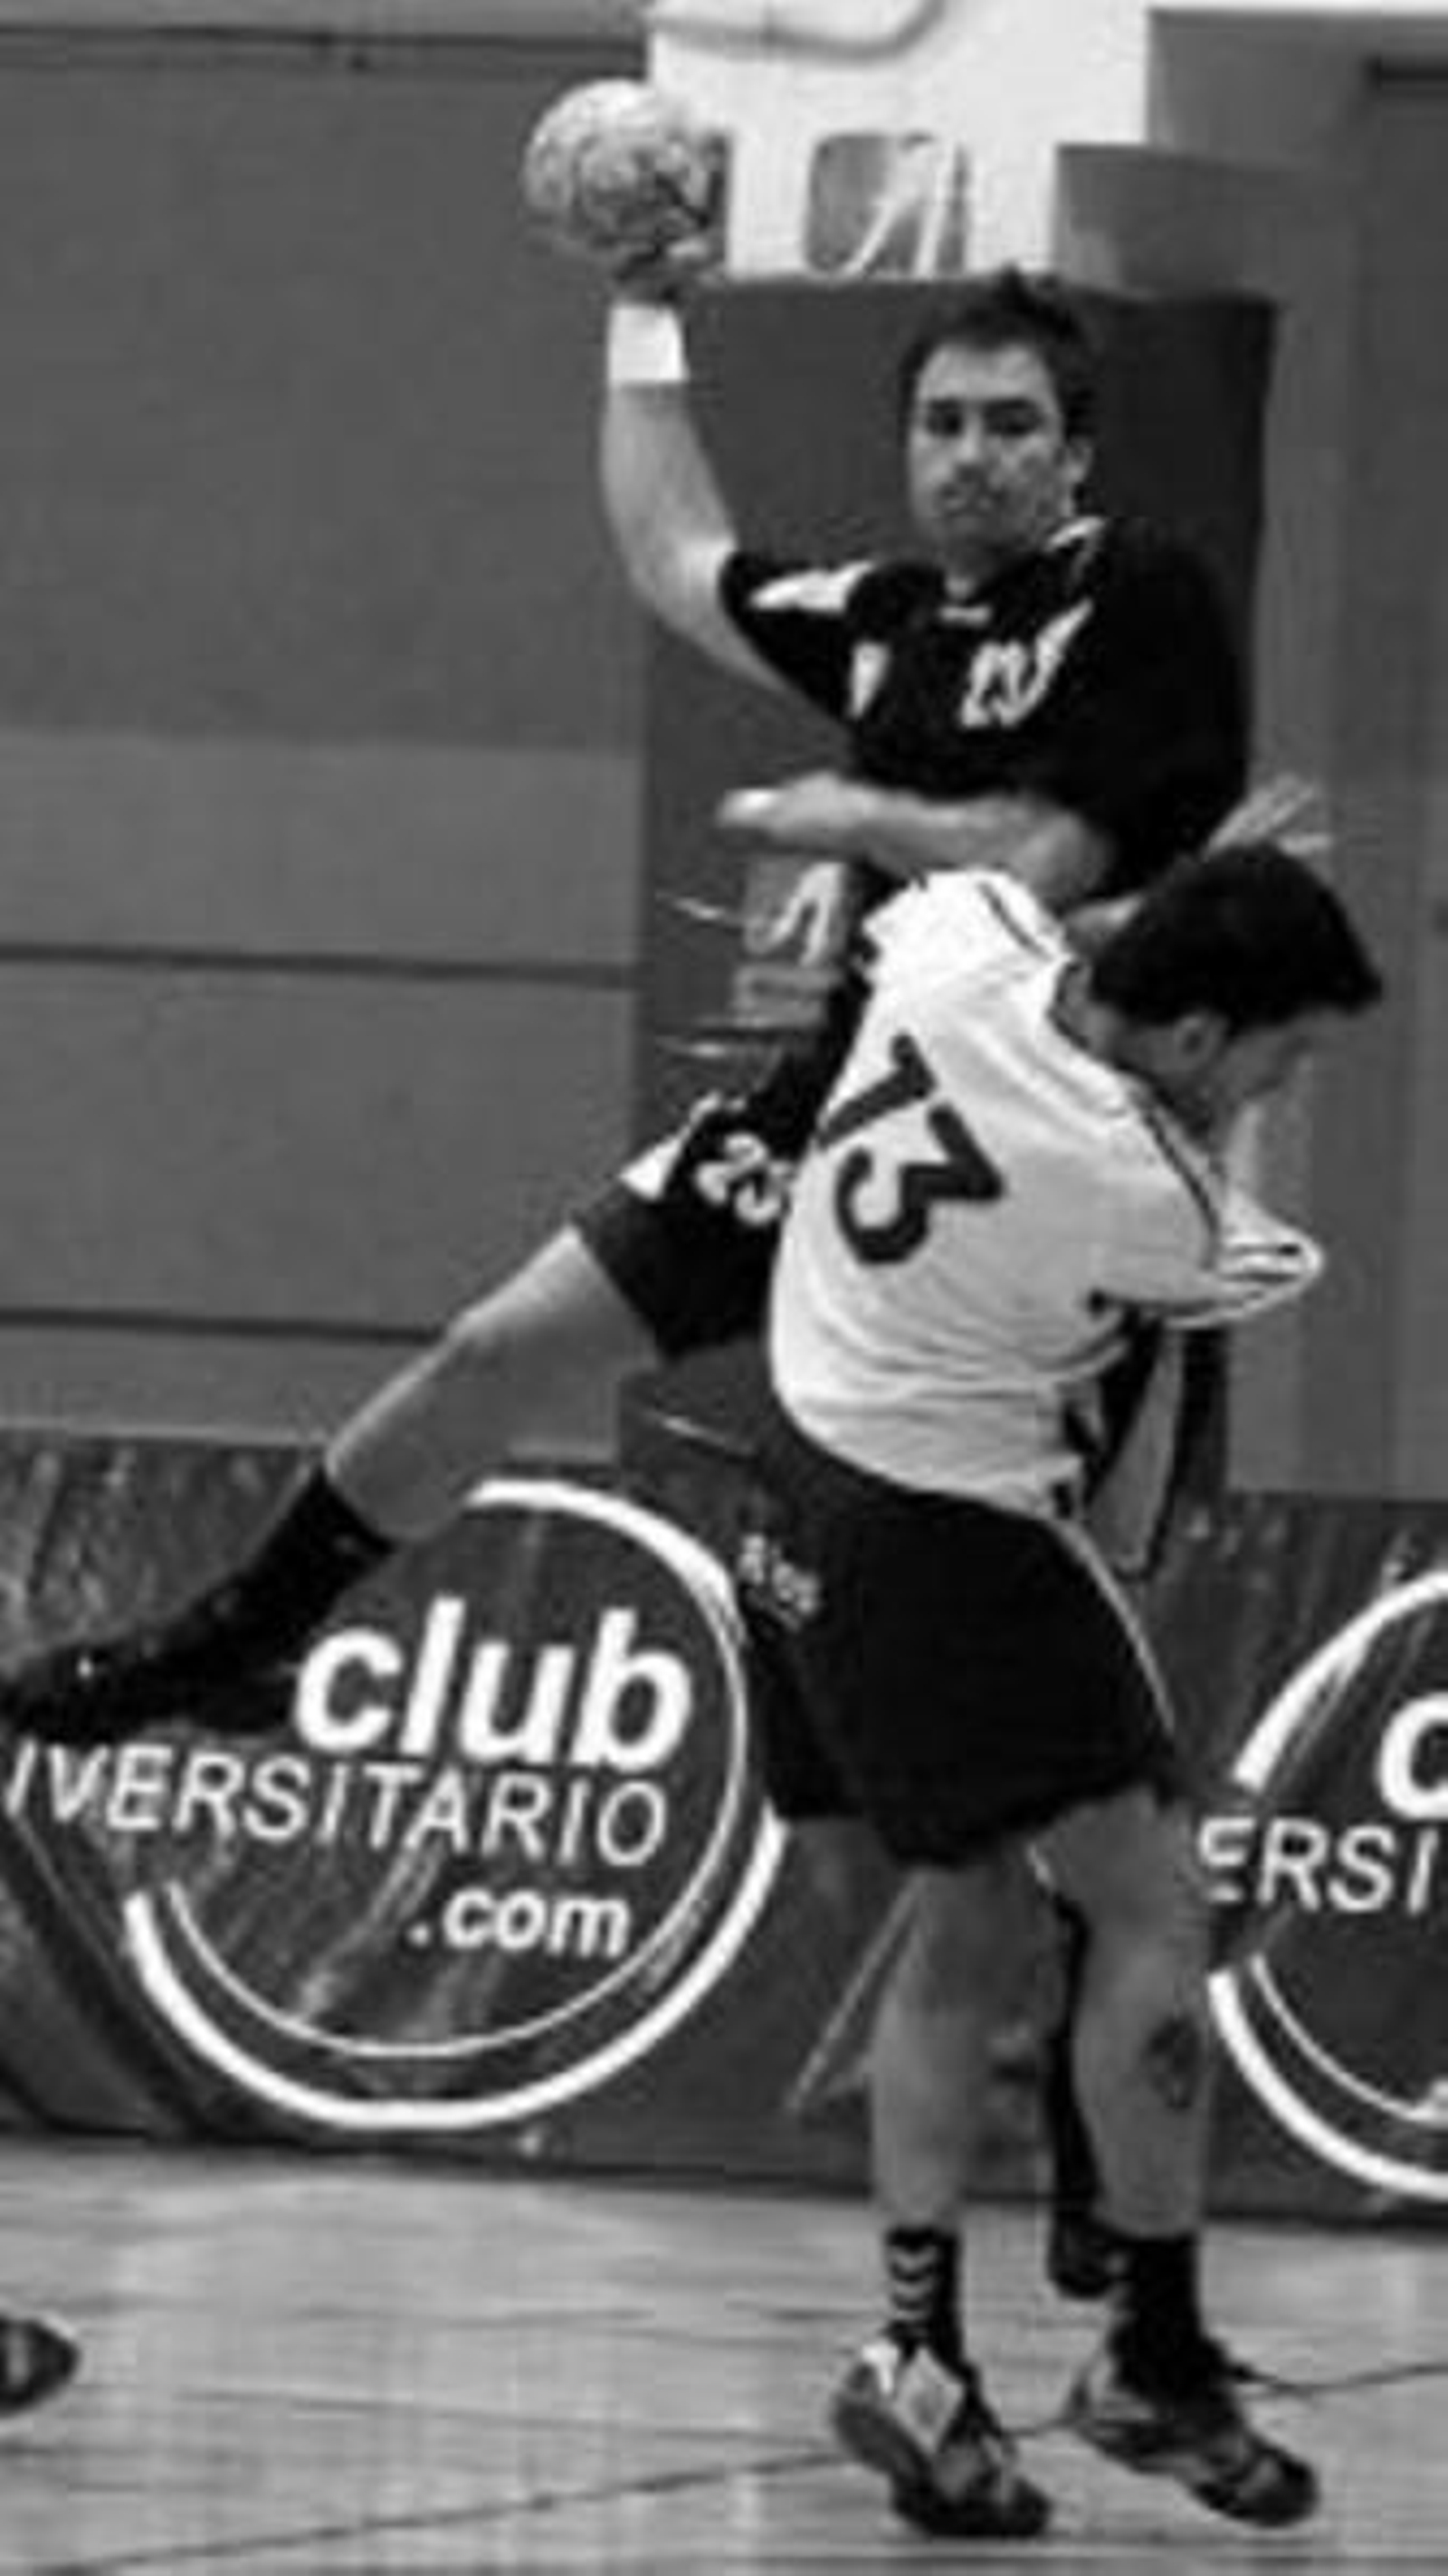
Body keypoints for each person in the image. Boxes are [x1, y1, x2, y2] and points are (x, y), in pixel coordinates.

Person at [0, 269, 1243, 2287]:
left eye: (1013, 424)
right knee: (499, 1344)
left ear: (1076, 451)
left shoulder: (1142, 599)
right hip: (843, 1112)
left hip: (1039, 1168)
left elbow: (1047, 862)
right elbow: (674, 556)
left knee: (1063, 1628)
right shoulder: (890, 619)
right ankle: (244, 1639)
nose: (972, 458)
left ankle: (1114, 2096)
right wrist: (643, 308)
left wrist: (853, 816)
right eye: (942, 423)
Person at [735, 837, 1382, 2539]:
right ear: (1197, 1039)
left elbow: (957, 886)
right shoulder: (1131, 1180)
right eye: (1280, 1058)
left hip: (792, 1478)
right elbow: (1263, 1262)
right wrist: (1209, 1104)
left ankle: (922, 2357)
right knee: (1154, 1903)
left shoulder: (961, 955)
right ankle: (1152, 2354)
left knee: (967, 1909)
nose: (1278, 1089)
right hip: (946, 1529)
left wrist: (1145, 918)